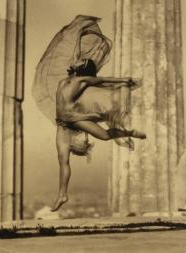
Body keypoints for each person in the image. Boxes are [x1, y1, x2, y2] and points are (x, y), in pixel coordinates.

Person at [51, 58, 146, 211]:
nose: (76, 61)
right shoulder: (67, 79)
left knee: (105, 136)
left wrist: (124, 80)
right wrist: (82, 33)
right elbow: (77, 55)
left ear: (83, 67)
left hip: (75, 118)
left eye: (80, 61)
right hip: (61, 123)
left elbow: (103, 79)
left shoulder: (83, 80)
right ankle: (62, 194)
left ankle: (129, 132)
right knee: (62, 158)